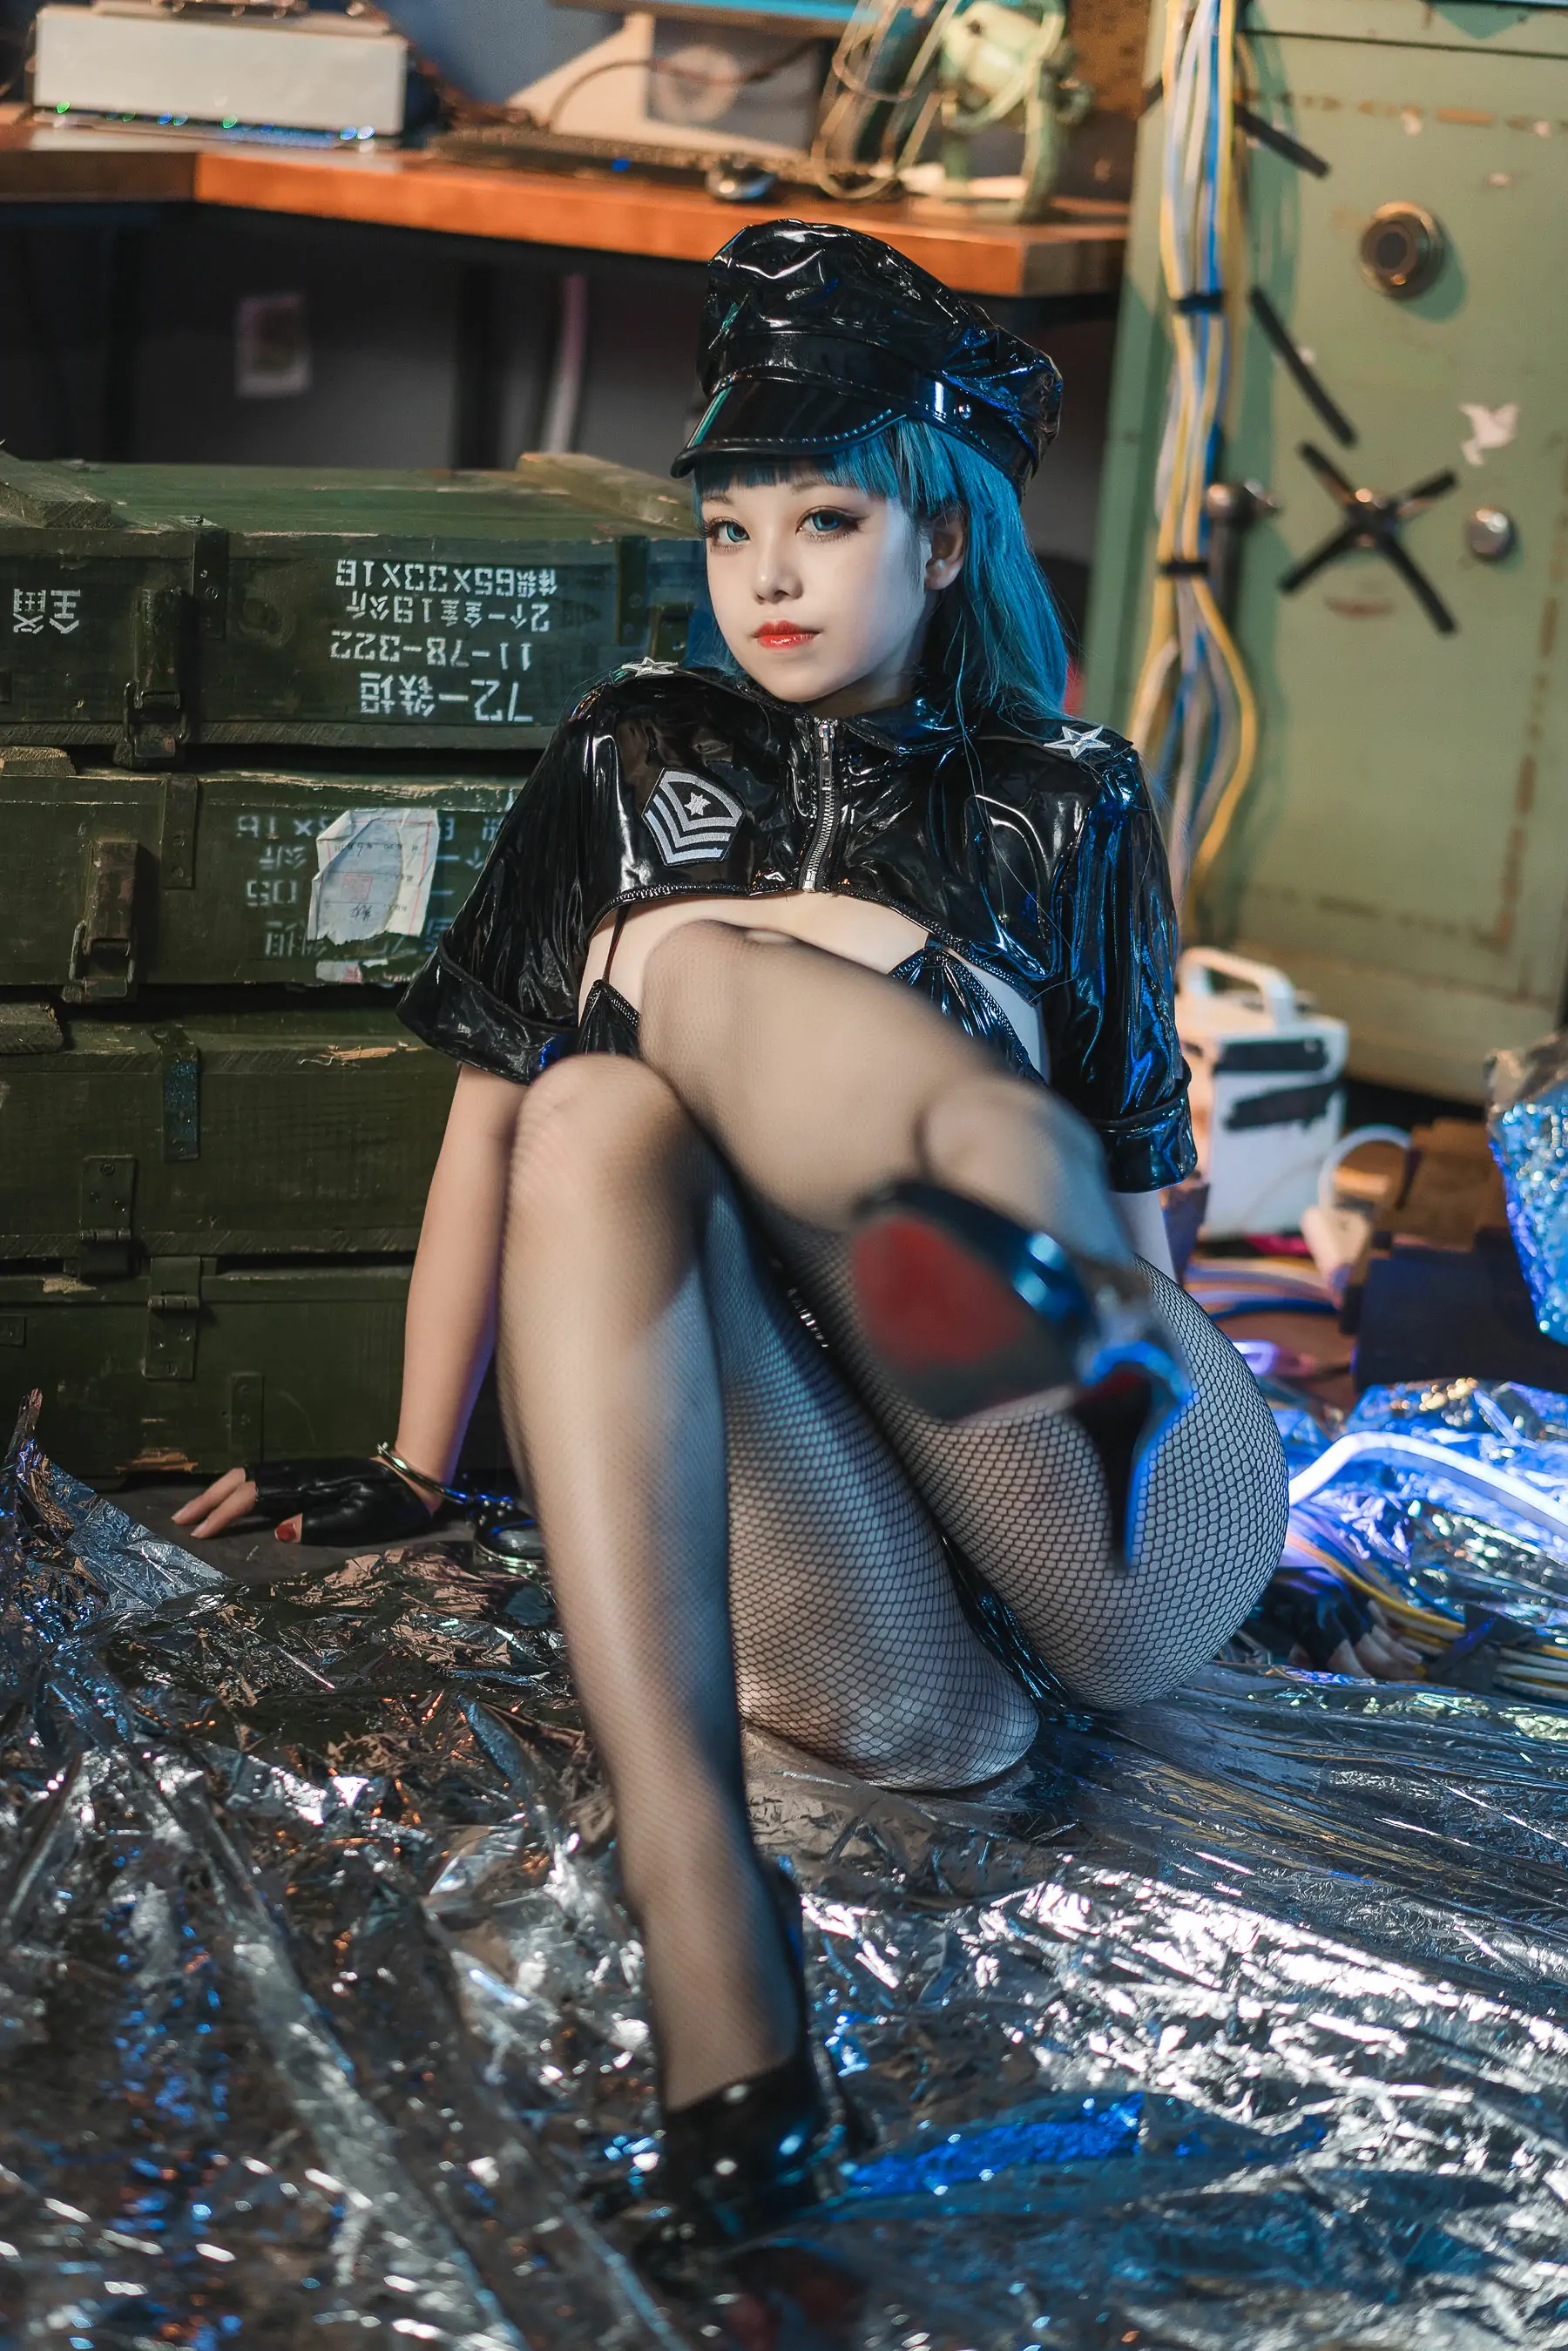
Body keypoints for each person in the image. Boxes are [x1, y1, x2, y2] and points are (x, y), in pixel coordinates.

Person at [178, 222, 1288, 2248]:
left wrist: (1208, 1467)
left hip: (1112, 1504)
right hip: (892, 1649)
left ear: (939, 538)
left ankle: (997, 1200)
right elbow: (489, 1137)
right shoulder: (628, 758)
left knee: (684, 979)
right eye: (729, 524)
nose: (767, 573)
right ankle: (716, 1933)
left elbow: (1147, 1165)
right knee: (594, 1102)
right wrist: (419, 1467)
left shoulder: (1063, 797)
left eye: (826, 518)